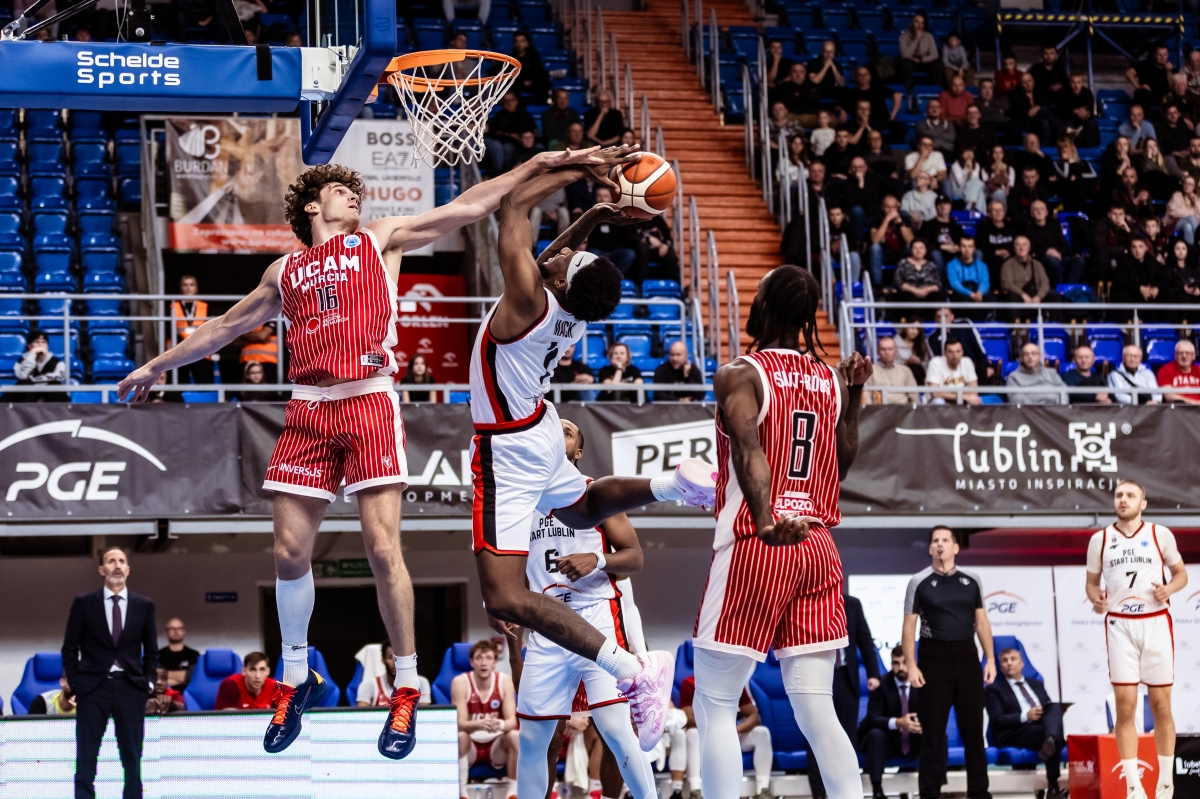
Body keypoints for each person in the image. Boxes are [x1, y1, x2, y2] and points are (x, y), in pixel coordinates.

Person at [119, 151, 628, 760]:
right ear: (312, 204)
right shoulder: (286, 271)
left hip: (369, 401)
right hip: (308, 406)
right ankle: (295, 675)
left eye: (356, 191)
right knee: (286, 553)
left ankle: (407, 685)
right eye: (341, 190)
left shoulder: (379, 240)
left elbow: (472, 204)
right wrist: (156, 364)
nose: (354, 198)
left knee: (384, 551)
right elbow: (223, 326)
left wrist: (548, 163)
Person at [466, 147, 716, 755]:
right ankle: (672, 486)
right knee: (578, 512)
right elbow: (552, 257)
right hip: (540, 428)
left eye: (569, 258)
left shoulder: (527, 300)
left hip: (509, 446)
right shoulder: (566, 307)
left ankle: (633, 673)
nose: (565, 254)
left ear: (556, 281)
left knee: (503, 595)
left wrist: (580, 167)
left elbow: (514, 205)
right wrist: (599, 213)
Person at [694, 265, 870, 799]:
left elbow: (749, 449)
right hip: (818, 546)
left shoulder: (740, 373)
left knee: (716, 703)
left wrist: (766, 519)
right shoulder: (830, 379)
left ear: (765, 304)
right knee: (816, 704)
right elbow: (839, 465)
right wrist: (855, 396)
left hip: (760, 540)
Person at [515, 418, 658, 799]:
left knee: (614, 728)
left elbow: (635, 558)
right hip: (546, 627)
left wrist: (596, 560)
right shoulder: (520, 501)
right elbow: (504, 566)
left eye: (567, 431)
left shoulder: (595, 493)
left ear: (577, 452)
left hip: (597, 618)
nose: (557, 433)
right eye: (553, 429)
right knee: (533, 737)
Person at [1085, 481, 1188, 799]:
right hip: (1120, 625)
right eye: (1118, 495)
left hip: (1156, 623)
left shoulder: (1160, 534)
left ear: (1143, 503)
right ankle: (1133, 787)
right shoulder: (1100, 539)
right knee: (1125, 708)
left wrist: (1168, 589)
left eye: (1130, 495)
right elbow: (1091, 584)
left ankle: (1166, 782)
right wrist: (1096, 600)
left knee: (1161, 706)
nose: (1123, 500)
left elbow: (1181, 574)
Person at [903, 526, 996, 799]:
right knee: (932, 735)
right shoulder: (918, 581)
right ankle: (929, 794)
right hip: (934, 660)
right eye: (935, 541)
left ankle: (979, 793)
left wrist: (989, 658)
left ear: (956, 547)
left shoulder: (972, 579)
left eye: (945, 540)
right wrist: (911, 665)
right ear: (930, 548)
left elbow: (981, 622)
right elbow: (909, 627)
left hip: (967, 657)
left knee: (973, 735)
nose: (940, 545)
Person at [62, 547, 157, 799]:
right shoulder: (84, 603)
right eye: (111, 561)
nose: (117, 565)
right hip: (93, 688)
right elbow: (70, 648)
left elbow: (152, 649)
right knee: (86, 757)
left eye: (122, 561)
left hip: (130, 687)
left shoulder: (144, 605)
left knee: (132, 758)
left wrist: (148, 682)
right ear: (101, 569)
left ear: (128, 569)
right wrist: (75, 684)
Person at [805, 594, 881, 799]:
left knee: (848, 738)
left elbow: (865, 641)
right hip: (818, 676)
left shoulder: (853, 604)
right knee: (817, 736)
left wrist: (874, 673)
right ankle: (820, 794)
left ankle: (847, 793)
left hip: (847, 678)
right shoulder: (809, 601)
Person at [984, 648, 1065, 798]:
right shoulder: (994, 690)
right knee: (1053, 735)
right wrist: (1025, 716)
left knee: (1054, 707)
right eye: (1004, 660)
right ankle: (1053, 785)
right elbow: (997, 721)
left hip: (1042, 728)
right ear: (1000, 667)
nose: (1009, 663)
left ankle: (1051, 740)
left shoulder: (1036, 684)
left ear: (1022, 664)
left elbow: (1047, 709)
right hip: (1015, 731)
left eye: (1013, 659)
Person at [453, 640, 520, 799]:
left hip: (497, 745)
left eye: (488, 658)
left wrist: (499, 724)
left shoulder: (504, 681)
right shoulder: (460, 682)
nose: (484, 663)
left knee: (515, 736)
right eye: (479, 658)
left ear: (495, 662)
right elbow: (459, 724)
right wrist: (479, 724)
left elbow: (512, 722)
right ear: (471, 662)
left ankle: (513, 792)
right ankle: (462, 793)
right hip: (471, 747)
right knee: (461, 736)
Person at [859, 646, 922, 799]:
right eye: (896, 663)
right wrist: (899, 723)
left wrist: (922, 725)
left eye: (904, 662)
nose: (900, 668)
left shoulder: (921, 683)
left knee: (939, 735)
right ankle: (877, 790)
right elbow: (873, 718)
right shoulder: (881, 684)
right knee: (875, 734)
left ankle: (937, 790)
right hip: (889, 742)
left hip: (913, 741)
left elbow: (932, 712)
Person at [1000, 236, 1060, 316]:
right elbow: (1007, 284)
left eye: (1024, 245)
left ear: (1029, 248)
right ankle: (1015, 327)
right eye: (1018, 245)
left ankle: (1057, 327)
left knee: (1054, 296)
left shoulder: (1037, 264)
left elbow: (1045, 283)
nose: (1021, 248)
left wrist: (1039, 296)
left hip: (1036, 296)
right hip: (1019, 297)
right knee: (1012, 297)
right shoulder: (1007, 265)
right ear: (1014, 248)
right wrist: (1023, 295)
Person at [1025, 200, 1081, 285]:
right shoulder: (1028, 228)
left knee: (1079, 259)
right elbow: (1030, 249)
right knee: (1053, 261)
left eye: (1042, 209)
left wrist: (1059, 253)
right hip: (1042, 258)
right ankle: (1060, 287)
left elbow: (1065, 245)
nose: (1039, 211)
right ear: (1032, 213)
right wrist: (1047, 251)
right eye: (1036, 210)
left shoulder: (1054, 224)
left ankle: (1069, 287)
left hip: (1059, 255)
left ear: (1047, 212)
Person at [585, 186, 638, 275]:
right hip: (597, 251)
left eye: (605, 196)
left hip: (615, 252)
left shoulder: (619, 216)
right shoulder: (589, 216)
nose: (602, 199)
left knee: (629, 253)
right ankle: (599, 278)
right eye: (599, 196)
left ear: (611, 199)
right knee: (592, 254)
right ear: (595, 198)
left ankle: (615, 277)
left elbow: (628, 237)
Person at [483, 92, 538, 174]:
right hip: (509, 144)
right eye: (506, 101)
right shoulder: (499, 117)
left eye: (511, 100)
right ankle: (507, 174)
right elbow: (496, 134)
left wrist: (526, 137)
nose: (509, 103)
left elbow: (534, 130)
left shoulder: (524, 114)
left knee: (539, 146)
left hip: (526, 141)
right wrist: (512, 136)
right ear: (502, 103)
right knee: (507, 148)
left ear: (516, 101)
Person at [867, 195, 915, 286]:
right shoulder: (875, 220)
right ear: (882, 207)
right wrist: (887, 220)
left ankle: (908, 283)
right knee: (875, 248)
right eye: (888, 207)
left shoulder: (904, 219)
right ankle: (877, 285)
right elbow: (875, 240)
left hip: (901, 254)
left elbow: (911, 241)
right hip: (883, 255)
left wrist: (901, 224)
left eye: (894, 207)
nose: (891, 210)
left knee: (910, 246)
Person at [1112, 236, 1167, 306]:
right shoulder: (1124, 262)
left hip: (1150, 294)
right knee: (1122, 295)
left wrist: (1157, 288)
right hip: (1132, 295)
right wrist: (1139, 288)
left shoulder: (1152, 261)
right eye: (1134, 247)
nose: (1137, 251)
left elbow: (1164, 278)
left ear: (1146, 248)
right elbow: (1120, 282)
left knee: (1167, 294)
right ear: (1130, 248)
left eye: (1140, 247)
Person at [14, 330, 67, 401]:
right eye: (37, 342)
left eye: (43, 342)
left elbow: (60, 377)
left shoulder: (57, 362)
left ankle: (53, 411)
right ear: (29, 346)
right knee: (25, 384)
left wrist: (35, 379)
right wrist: (32, 354)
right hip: (28, 395)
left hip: (49, 395)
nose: (40, 345)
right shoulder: (21, 362)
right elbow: (23, 376)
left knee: (55, 384)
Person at [893, 240, 944, 313]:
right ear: (911, 250)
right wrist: (915, 291)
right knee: (906, 299)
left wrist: (926, 290)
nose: (918, 251)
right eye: (915, 248)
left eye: (921, 248)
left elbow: (938, 284)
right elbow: (898, 281)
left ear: (926, 250)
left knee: (939, 298)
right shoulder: (903, 263)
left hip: (928, 293)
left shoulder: (931, 265)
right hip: (909, 293)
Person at [215, 652, 279, 711]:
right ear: (244, 671)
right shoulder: (230, 684)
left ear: (268, 671)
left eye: (262, 669)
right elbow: (230, 720)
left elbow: (280, 718)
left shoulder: (275, 687)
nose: (257, 676)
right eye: (252, 669)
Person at [864, 335, 918, 404]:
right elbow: (866, 397)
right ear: (878, 351)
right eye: (883, 349)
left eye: (890, 349)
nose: (887, 352)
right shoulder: (870, 371)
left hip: (903, 410)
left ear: (896, 351)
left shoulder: (905, 371)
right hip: (879, 411)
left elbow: (914, 397)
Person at [925, 337, 980, 404]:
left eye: (958, 351)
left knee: (975, 400)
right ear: (944, 353)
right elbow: (935, 394)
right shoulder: (935, 363)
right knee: (938, 402)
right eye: (951, 352)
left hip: (960, 401)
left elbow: (973, 392)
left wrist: (946, 393)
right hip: (941, 401)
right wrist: (962, 396)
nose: (955, 356)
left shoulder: (967, 362)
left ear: (962, 352)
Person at [975, 199, 1017, 287]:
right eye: (995, 210)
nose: (998, 213)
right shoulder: (984, 227)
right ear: (989, 214)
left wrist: (1009, 251)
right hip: (991, 258)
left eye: (1000, 210)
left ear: (1004, 212)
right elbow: (980, 247)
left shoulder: (1011, 226)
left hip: (1010, 257)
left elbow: (1017, 244)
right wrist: (995, 252)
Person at [946, 236, 990, 313]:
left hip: (978, 291)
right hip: (961, 293)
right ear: (959, 248)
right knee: (964, 301)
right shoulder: (951, 264)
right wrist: (970, 294)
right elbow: (954, 283)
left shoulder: (982, 265)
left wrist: (979, 294)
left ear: (974, 248)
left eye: (970, 246)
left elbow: (985, 282)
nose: (967, 250)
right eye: (964, 246)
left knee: (991, 299)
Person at [897, 13, 939, 92]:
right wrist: (916, 39)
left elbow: (935, 54)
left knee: (938, 64)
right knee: (905, 64)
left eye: (922, 23)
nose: (919, 25)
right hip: (910, 61)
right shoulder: (903, 37)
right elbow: (905, 55)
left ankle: (934, 89)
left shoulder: (929, 36)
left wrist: (922, 59)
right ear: (911, 23)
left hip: (923, 60)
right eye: (917, 22)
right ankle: (908, 92)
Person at [1056, 74, 1099, 148]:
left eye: (1079, 82)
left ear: (1082, 83)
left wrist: (1076, 112)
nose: (1076, 86)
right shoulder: (1063, 93)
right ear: (1069, 83)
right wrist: (1074, 111)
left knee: (1092, 124)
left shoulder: (1087, 93)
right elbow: (1061, 111)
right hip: (1068, 121)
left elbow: (1090, 112)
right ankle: (1068, 149)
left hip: (1083, 122)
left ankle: (1091, 151)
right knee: (1068, 123)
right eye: (1073, 82)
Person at [1127, 44, 1174, 111]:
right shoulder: (1146, 65)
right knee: (1142, 93)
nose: (1162, 57)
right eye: (1159, 55)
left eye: (1165, 55)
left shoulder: (1171, 69)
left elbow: (1172, 88)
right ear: (1155, 55)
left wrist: (1169, 72)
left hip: (1163, 98)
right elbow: (1129, 73)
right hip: (1147, 96)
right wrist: (1138, 86)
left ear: (1168, 55)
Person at [157, 618, 199, 692]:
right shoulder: (158, 655)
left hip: (188, 695)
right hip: (164, 695)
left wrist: (166, 675)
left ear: (184, 632)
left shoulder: (194, 655)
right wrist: (184, 676)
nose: (176, 631)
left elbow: (192, 678)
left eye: (179, 628)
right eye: (172, 628)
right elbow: (157, 679)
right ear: (165, 632)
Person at [1156, 338, 1200, 403]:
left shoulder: (1198, 370)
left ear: (1193, 356)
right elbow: (1169, 396)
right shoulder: (1165, 370)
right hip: (1177, 409)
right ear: (1175, 355)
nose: (1184, 356)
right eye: (1180, 353)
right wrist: (1194, 403)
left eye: (1187, 353)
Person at [948, 147, 987, 212]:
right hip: (957, 190)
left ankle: (970, 206)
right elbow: (961, 184)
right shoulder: (956, 165)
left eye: (971, 153)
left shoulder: (976, 165)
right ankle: (981, 215)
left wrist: (970, 169)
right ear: (961, 155)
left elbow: (974, 182)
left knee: (980, 191)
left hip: (970, 191)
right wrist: (968, 170)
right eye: (966, 153)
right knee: (979, 189)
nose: (969, 155)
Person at [1165, 174, 1200, 243]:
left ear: (1194, 187)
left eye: (1190, 184)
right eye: (1185, 183)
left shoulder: (1196, 198)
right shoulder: (1177, 195)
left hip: (1188, 224)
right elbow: (1174, 213)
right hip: (1173, 223)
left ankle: (1191, 250)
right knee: (1192, 218)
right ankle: (1198, 241)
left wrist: (1195, 202)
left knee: (1188, 227)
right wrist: (1191, 214)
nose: (1187, 186)